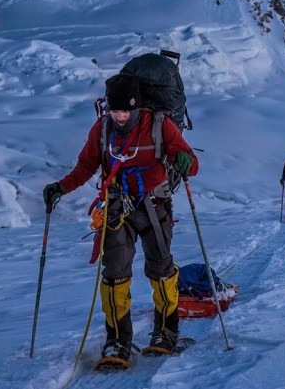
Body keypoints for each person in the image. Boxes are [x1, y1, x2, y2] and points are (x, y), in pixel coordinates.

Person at [42, 74, 199, 362]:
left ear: (138, 108)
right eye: (116, 111)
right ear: (107, 109)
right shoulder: (102, 130)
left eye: (126, 111)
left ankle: (166, 331)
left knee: (161, 270)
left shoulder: (159, 125)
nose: (121, 117)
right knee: (114, 276)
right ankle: (117, 341)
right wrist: (62, 187)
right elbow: (86, 166)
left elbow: (191, 163)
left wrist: (185, 160)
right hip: (117, 210)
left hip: (156, 206)